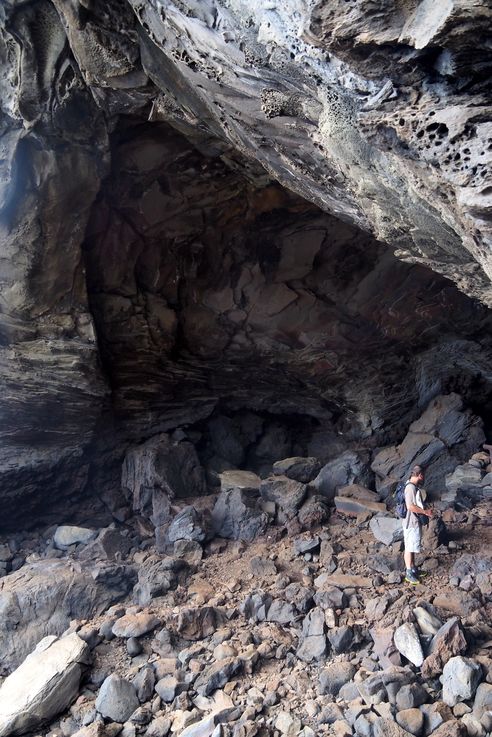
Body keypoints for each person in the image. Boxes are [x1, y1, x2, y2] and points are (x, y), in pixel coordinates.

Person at [403, 465, 433, 584]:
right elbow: (410, 506)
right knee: (409, 547)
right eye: (423, 475)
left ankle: (414, 569)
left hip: (414, 522)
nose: (423, 478)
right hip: (411, 522)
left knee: (412, 546)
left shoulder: (413, 487)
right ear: (419, 475)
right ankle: (409, 573)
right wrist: (425, 512)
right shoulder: (410, 488)